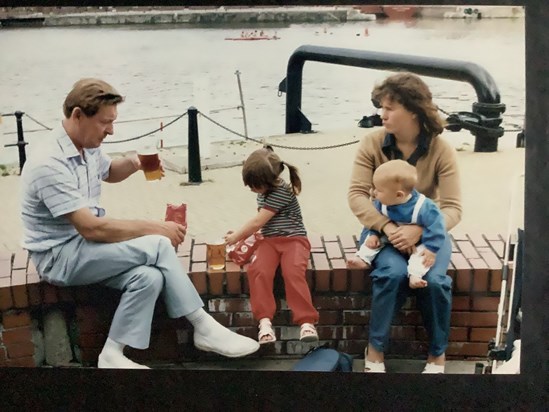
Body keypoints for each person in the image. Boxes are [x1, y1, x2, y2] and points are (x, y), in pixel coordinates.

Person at [20, 78, 259, 369]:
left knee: (149, 278)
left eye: (113, 121)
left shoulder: (86, 143)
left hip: (84, 248)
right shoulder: (49, 163)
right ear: (78, 115)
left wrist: (135, 162)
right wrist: (155, 227)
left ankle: (111, 355)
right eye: (105, 123)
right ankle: (203, 326)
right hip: (59, 257)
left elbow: (108, 171)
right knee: (158, 244)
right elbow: (92, 228)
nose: (111, 130)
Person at [348, 72, 462, 374]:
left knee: (436, 282)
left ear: (413, 109)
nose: (381, 114)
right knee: (392, 274)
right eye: (380, 107)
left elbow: (452, 208)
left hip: (429, 234)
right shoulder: (372, 143)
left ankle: (437, 355)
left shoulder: (441, 149)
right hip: (381, 233)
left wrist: (420, 230)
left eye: (389, 108)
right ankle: (375, 350)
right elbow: (357, 195)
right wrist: (388, 228)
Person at [224, 147, 319, 345]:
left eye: (253, 185)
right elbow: (261, 224)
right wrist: (240, 236)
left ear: (268, 181)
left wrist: (236, 237)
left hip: (294, 240)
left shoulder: (281, 191)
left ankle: (306, 321)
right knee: (258, 271)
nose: (250, 189)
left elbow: (258, 221)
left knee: (292, 271)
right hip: (269, 241)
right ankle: (265, 321)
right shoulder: (265, 190)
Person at [347, 159, 447, 290]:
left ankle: (415, 275)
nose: (373, 193)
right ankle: (363, 258)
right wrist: (373, 235)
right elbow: (375, 221)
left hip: (421, 240)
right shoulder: (381, 202)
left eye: (379, 190)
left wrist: (432, 249)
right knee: (371, 243)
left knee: (422, 257)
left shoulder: (424, 207)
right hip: (389, 236)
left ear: (399, 195)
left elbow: (437, 227)